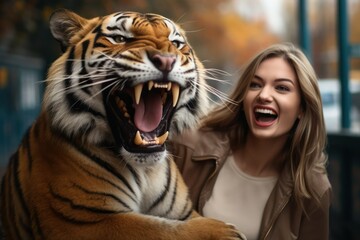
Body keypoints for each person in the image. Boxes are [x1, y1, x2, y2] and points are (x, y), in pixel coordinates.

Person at [168, 43, 332, 240]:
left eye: (281, 88)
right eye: (255, 84)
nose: (263, 95)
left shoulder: (313, 189)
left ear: (302, 108)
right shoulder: (187, 146)